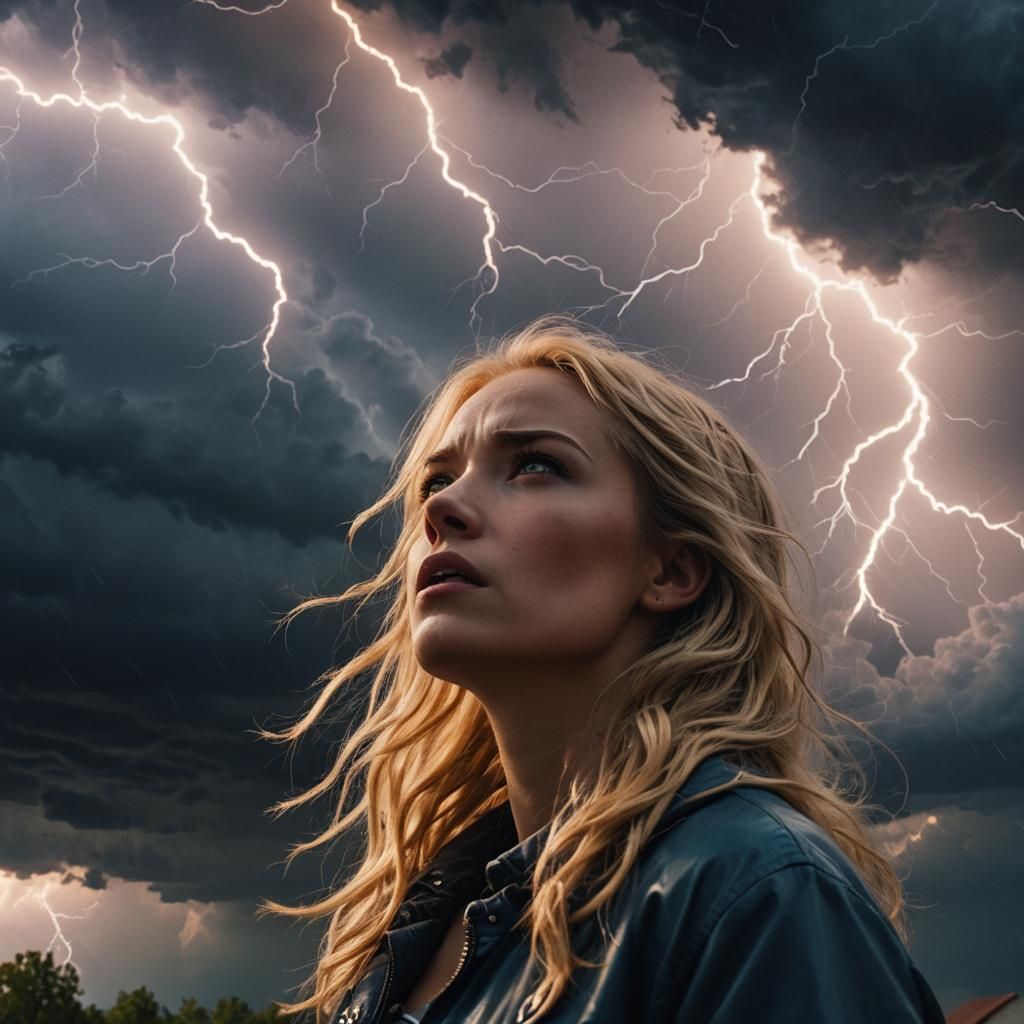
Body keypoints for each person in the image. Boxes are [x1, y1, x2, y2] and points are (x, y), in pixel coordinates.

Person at [260, 315, 946, 1023]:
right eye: (437, 477)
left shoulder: (759, 890)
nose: (440, 506)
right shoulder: (425, 917)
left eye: (534, 465)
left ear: (672, 570)